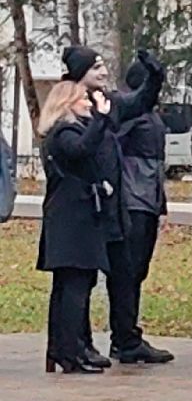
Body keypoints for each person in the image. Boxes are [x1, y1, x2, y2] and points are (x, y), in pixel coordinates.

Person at [38, 80, 113, 373]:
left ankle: (60, 348)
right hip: (74, 219)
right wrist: (102, 119)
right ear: (67, 103)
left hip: (70, 217)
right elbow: (81, 150)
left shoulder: (61, 132)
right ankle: (68, 352)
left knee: (68, 285)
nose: (88, 103)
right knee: (74, 287)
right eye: (83, 98)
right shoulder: (65, 133)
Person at [105, 52, 171, 364]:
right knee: (127, 272)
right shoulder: (131, 113)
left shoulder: (147, 114)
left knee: (136, 272)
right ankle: (125, 337)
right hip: (133, 200)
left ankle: (127, 333)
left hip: (147, 200)